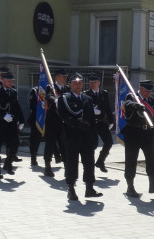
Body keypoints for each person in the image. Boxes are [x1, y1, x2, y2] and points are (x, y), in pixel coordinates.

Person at [57, 72, 101, 202]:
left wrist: (94, 136)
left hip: (87, 136)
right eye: (75, 83)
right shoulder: (64, 98)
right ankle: (71, 189)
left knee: (89, 163)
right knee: (71, 163)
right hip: (72, 136)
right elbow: (63, 116)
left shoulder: (87, 98)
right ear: (70, 85)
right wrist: (77, 123)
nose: (78, 86)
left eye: (80, 83)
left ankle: (89, 188)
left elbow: (92, 120)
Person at [122, 79, 154, 197]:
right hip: (133, 133)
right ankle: (130, 187)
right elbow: (127, 104)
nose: (148, 93)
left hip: (147, 134)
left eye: (149, 91)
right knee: (131, 160)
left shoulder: (151, 100)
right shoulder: (132, 97)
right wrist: (137, 105)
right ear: (140, 89)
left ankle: (152, 185)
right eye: (146, 91)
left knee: (151, 159)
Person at [0, 69, 25, 180]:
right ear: (3, 81)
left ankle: (8, 163)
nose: (11, 83)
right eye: (8, 81)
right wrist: (2, 115)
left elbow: (16, 107)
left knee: (15, 144)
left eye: (12, 81)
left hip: (11, 123)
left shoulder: (13, 92)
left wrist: (21, 120)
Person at [86, 73, 114, 172]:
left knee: (109, 142)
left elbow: (107, 108)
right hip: (92, 124)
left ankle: (100, 161)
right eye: (91, 82)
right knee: (93, 145)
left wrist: (111, 121)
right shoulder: (86, 94)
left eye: (95, 82)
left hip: (102, 122)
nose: (93, 84)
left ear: (99, 83)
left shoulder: (104, 93)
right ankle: (90, 166)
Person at [42, 69, 68, 177]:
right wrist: (55, 99)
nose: (64, 79)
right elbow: (48, 96)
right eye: (62, 76)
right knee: (50, 143)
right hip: (52, 120)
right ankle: (47, 166)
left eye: (65, 77)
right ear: (57, 77)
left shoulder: (67, 88)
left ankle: (67, 167)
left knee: (64, 144)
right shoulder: (51, 87)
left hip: (63, 121)